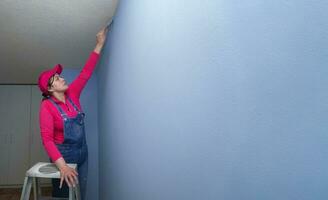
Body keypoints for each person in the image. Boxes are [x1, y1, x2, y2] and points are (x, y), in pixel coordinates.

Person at [38, 26, 108, 199]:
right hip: (64, 156)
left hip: (83, 152)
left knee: (79, 193)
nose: (62, 78)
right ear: (50, 88)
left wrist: (99, 44)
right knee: (63, 195)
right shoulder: (47, 106)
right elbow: (47, 140)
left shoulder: (73, 94)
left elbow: (85, 73)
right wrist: (62, 166)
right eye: (57, 78)